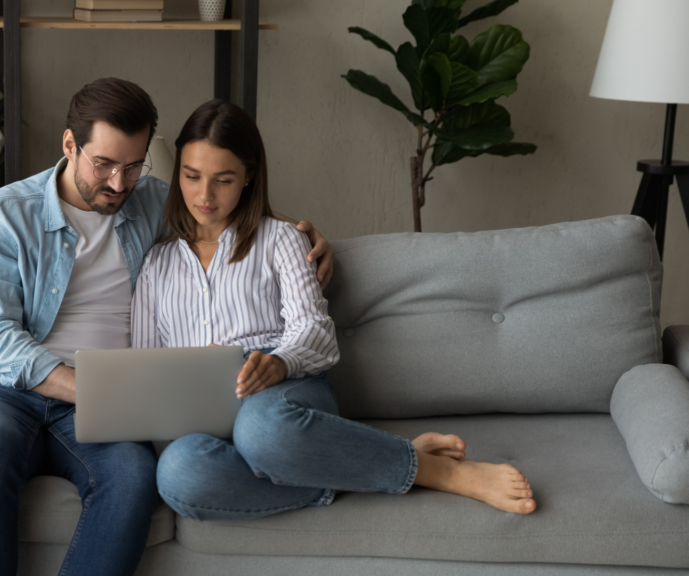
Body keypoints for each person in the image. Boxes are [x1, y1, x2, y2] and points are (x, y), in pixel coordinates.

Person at [0, 78, 336, 576]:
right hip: (3, 388)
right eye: (104, 164)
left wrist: (305, 233)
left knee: (134, 477)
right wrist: (90, 388)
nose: (118, 183)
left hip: (113, 397)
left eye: (134, 166)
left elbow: (220, 204)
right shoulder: (2, 216)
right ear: (70, 145)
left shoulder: (148, 202)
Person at [133, 99, 537, 522]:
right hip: (203, 422)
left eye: (224, 179)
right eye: (191, 176)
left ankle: (436, 472)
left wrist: (278, 362)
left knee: (262, 430)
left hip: (281, 399)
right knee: (179, 472)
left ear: (249, 176)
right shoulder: (156, 265)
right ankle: (381, 465)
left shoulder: (280, 240)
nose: (205, 195)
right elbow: (144, 367)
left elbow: (315, 331)